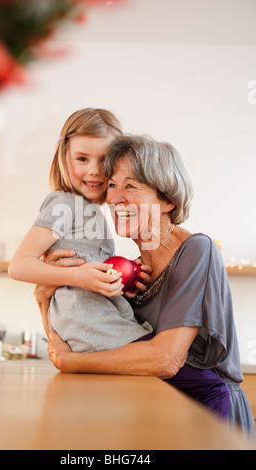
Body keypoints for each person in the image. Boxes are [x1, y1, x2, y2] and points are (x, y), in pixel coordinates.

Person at [36, 134, 255, 437]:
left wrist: (72, 363)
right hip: (161, 413)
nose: (115, 198)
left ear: (168, 201)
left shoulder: (196, 250)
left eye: (131, 185)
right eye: (112, 185)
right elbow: (79, 337)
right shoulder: (132, 269)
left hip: (210, 416)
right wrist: (45, 294)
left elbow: (165, 359)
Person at [8, 108, 154, 354]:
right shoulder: (63, 203)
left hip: (99, 327)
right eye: (82, 159)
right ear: (64, 158)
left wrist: (122, 278)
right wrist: (77, 277)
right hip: (98, 332)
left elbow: (87, 267)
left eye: (104, 159)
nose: (95, 170)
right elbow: (18, 265)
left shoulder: (91, 210)